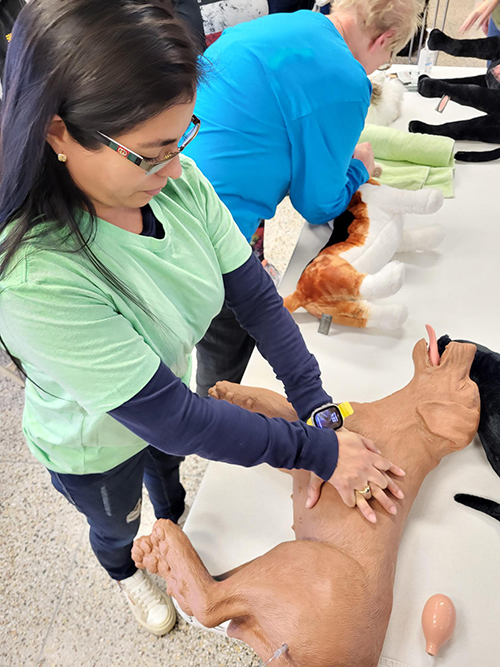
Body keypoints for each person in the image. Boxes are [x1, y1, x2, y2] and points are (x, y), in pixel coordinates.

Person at [0, 0, 405, 638]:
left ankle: (175, 522)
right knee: (115, 516)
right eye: (150, 153)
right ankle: (123, 569)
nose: (174, 169)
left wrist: (318, 405)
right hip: (93, 445)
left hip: (161, 391)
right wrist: (315, 450)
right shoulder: (34, 277)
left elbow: (255, 297)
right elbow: (174, 416)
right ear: (57, 133)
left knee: (169, 474)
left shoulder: (180, 184)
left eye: (183, 137)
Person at [185, 0, 423, 397]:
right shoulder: (347, 79)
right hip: (214, 234)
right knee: (230, 345)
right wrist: (360, 164)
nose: (380, 67)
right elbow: (318, 204)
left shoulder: (278, 26)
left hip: (172, 190)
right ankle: (221, 412)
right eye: (389, 55)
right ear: (383, 39)